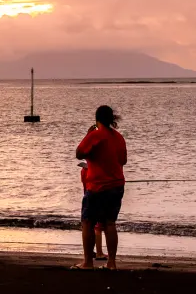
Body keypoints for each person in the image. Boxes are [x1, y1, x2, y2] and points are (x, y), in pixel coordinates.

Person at [74, 105, 126, 270]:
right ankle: (111, 263)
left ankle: (88, 262)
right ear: (112, 119)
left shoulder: (95, 135)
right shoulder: (118, 137)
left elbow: (79, 153)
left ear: (97, 119)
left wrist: (88, 135)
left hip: (97, 186)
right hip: (117, 184)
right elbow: (123, 160)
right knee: (110, 223)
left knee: (88, 222)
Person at [78, 124, 108, 261]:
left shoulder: (85, 170)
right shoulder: (86, 170)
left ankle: (95, 254)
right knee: (98, 225)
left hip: (94, 189)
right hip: (97, 189)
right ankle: (98, 253)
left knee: (96, 224)